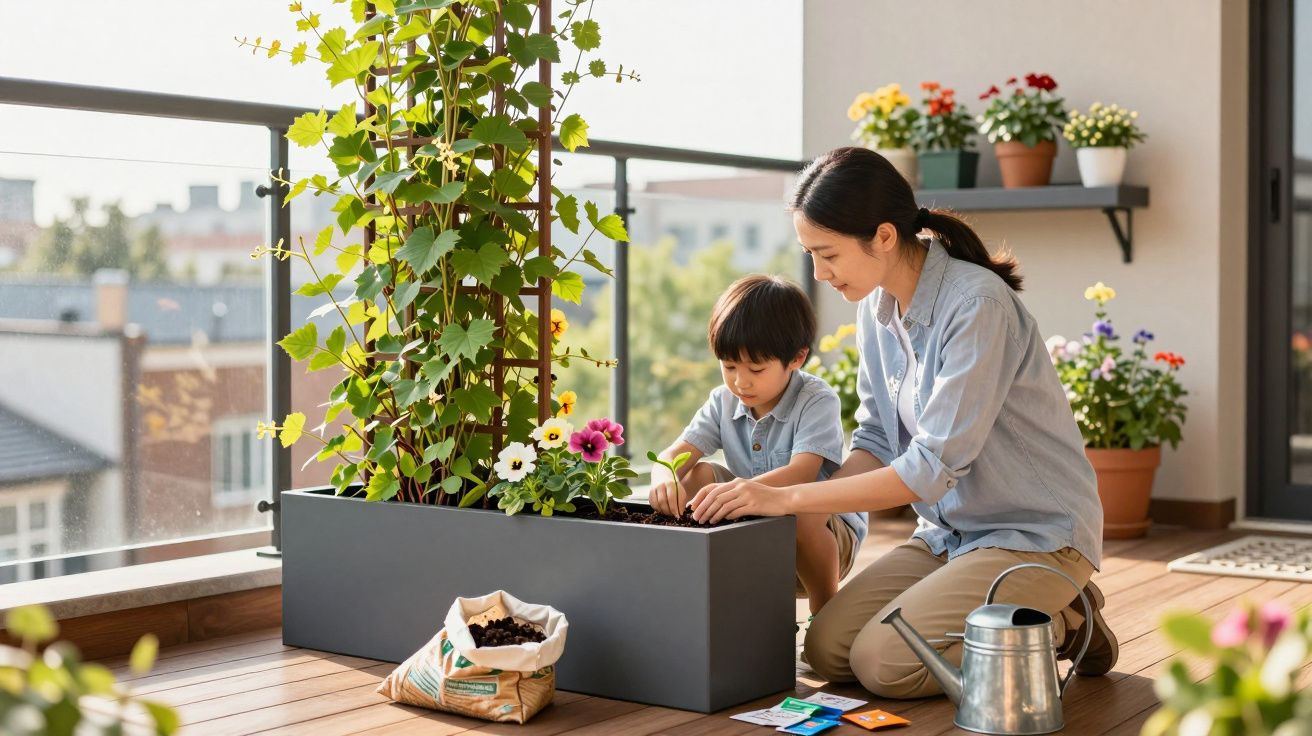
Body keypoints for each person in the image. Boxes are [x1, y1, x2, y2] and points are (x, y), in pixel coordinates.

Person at [687, 147, 1117, 699]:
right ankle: (1031, 610)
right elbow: (876, 441)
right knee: (826, 650)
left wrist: (788, 499)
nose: (819, 273)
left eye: (828, 254)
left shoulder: (977, 305)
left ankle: (1062, 619)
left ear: (884, 237)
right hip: (947, 535)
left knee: (885, 664)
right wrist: (811, 508)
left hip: (1036, 536)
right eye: (810, 254)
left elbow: (930, 468)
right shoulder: (876, 308)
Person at [648, 274, 868, 614]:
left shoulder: (815, 399)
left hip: (825, 535)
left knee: (803, 513)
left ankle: (825, 613)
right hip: (755, 529)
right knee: (696, 476)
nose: (740, 381)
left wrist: (744, 492)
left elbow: (802, 473)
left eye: (756, 368)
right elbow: (674, 455)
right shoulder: (723, 401)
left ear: (796, 359)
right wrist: (664, 477)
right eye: (729, 366)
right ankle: (693, 598)